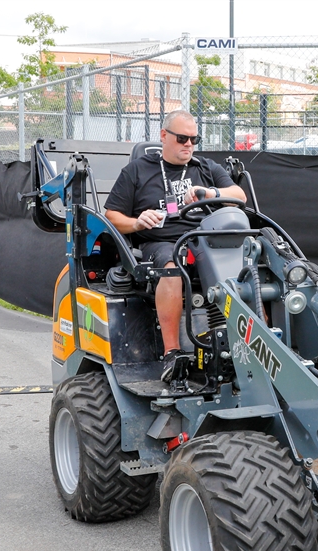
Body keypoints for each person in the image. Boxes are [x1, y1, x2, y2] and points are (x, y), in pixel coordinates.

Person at [105, 110, 247, 381]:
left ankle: (254, 345)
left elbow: (239, 196)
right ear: (163, 136)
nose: (189, 145)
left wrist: (210, 193)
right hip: (160, 241)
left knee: (248, 269)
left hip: (206, 239)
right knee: (171, 265)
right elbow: (112, 215)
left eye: (194, 139)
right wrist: (136, 223)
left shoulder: (205, 168)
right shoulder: (138, 170)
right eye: (182, 138)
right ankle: (173, 353)